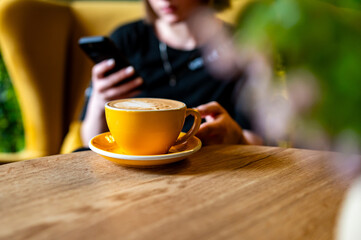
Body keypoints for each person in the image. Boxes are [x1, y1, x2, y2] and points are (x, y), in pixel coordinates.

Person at [81, 0, 263, 147]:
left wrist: (238, 138)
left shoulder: (242, 45)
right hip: (134, 161)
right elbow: (89, 139)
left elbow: (261, 139)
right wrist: (99, 101)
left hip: (207, 162)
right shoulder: (127, 39)